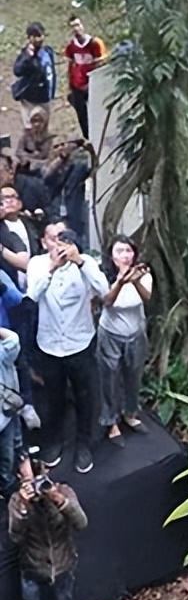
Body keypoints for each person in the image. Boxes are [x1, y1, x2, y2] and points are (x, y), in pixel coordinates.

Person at [27, 222, 109, 474]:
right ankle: (55, 441)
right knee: (54, 398)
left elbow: (105, 292)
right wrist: (53, 267)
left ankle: (84, 444)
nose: (59, 245)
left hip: (80, 342)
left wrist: (81, 263)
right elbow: (32, 295)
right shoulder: (37, 264)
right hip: (50, 344)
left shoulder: (86, 262)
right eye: (54, 239)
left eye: (65, 239)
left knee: (86, 398)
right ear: (44, 242)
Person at [8, 449, 88, 600]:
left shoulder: (63, 490)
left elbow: (81, 523)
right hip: (33, 570)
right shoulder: (16, 501)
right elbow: (14, 536)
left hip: (62, 567)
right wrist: (24, 506)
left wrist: (57, 498)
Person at [97, 235, 151, 448]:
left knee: (133, 376)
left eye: (129, 251)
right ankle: (111, 422)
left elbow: (147, 297)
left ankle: (130, 413)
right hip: (110, 334)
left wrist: (135, 279)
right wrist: (120, 281)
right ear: (111, 255)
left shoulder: (143, 273)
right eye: (120, 251)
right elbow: (107, 300)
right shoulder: (103, 275)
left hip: (136, 334)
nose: (125, 256)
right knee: (109, 378)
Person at [0, 183, 44, 430]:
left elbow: (25, 261)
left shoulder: (9, 232)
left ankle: (25, 404)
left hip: (9, 302)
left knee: (17, 354)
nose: (6, 203)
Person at [16, 106, 90, 245]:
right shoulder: (26, 138)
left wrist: (60, 156)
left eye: (40, 121)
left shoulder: (52, 141)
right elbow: (24, 158)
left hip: (57, 192)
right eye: (34, 121)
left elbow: (50, 168)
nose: (37, 125)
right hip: (38, 188)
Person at [62, 16, 107, 140]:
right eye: (72, 27)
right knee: (81, 114)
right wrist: (69, 85)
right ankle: (87, 138)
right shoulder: (71, 46)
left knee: (96, 112)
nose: (76, 29)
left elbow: (102, 61)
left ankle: (99, 137)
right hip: (77, 84)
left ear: (83, 25)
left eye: (77, 25)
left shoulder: (94, 43)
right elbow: (70, 64)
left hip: (93, 83)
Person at [11, 23, 57, 130]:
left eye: (41, 35)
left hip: (45, 97)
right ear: (29, 38)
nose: (39, 39)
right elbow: (17, 71)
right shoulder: (26, 55)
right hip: (30, 99)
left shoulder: (47, 52)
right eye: (35, 36)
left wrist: (52, 91)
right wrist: (28, 56)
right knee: (31, 129)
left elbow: (51, 72)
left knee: (43, 128)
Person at [0, 326, 23, 498]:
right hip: (4, 418)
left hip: (7, 414)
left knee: (11, 451)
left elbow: (12, 340)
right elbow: (13, 339)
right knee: (6, 456)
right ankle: (6, 485)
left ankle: (8, 481)